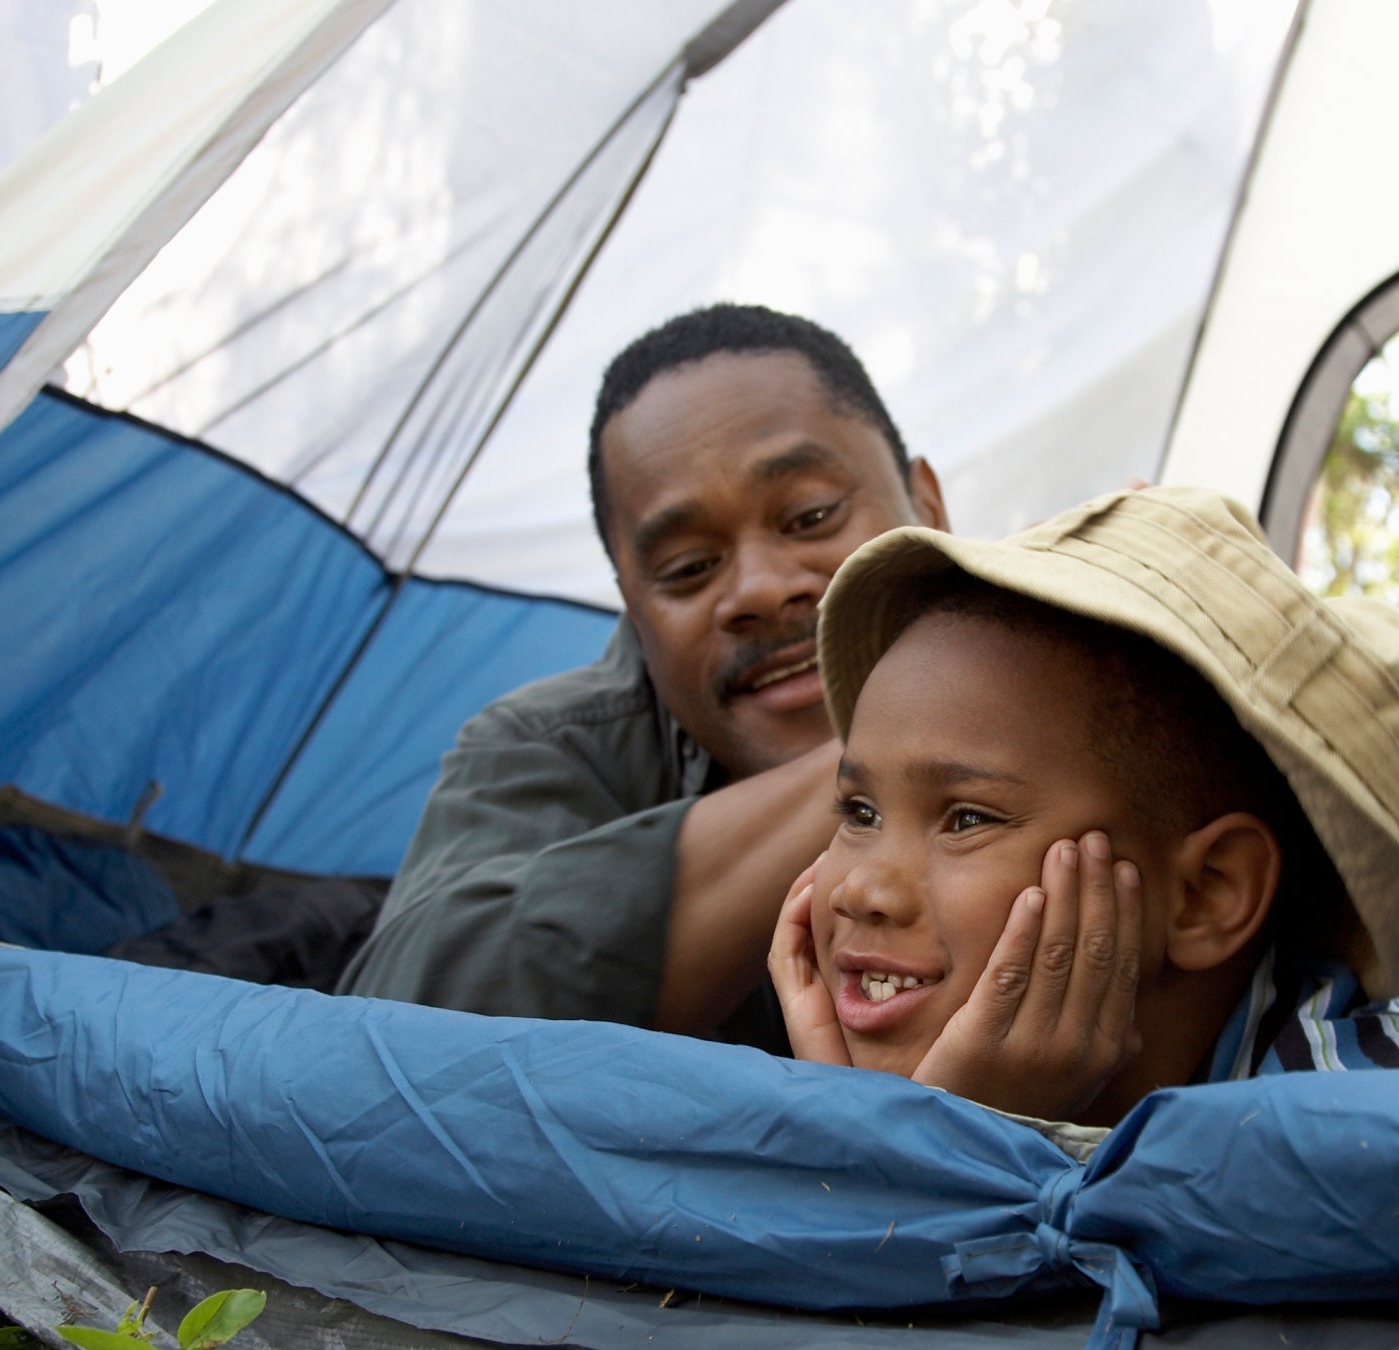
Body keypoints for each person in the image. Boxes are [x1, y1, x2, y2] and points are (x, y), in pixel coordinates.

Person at [767, 485, 1399, 1128]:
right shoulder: (812, 1073)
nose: (862, 890)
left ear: (1205, 894)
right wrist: (859, 1128)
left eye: (967, 819)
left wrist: (943, 1145)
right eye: (859, 812)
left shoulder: (1374, 1137)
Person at [336, 305, 947, 1041]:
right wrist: (936, 734)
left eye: (810, 517)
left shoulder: (1091, 678)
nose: (758, 588)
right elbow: (395, 1035)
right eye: (689, 568)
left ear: (929, 507)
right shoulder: (548, 748)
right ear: (633, 608)